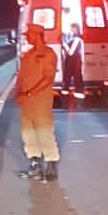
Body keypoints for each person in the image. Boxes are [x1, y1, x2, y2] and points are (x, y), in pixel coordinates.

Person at [16, 23, 61, 182]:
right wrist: (19, 92)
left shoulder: (48, 54)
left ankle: (50, 166)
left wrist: (28, 93)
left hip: (40, 101)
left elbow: (48, 79)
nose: (27, 37)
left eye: (29, 35)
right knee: (28, 134)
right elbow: (21, 77)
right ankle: (35, 165)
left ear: (37, 35)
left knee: (43, 132)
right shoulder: (28, 55)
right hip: (26, 103)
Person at [61, 23, 85, 95]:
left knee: (74, 76)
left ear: (76, 29)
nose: (71, 30)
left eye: (72, 28)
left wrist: (64, 44)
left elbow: (70, 52)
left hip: (74, 61)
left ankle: (77, 92)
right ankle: (75, 92)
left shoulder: (77, 39)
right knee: (74, 76)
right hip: (74, 60)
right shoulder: (75, 38)